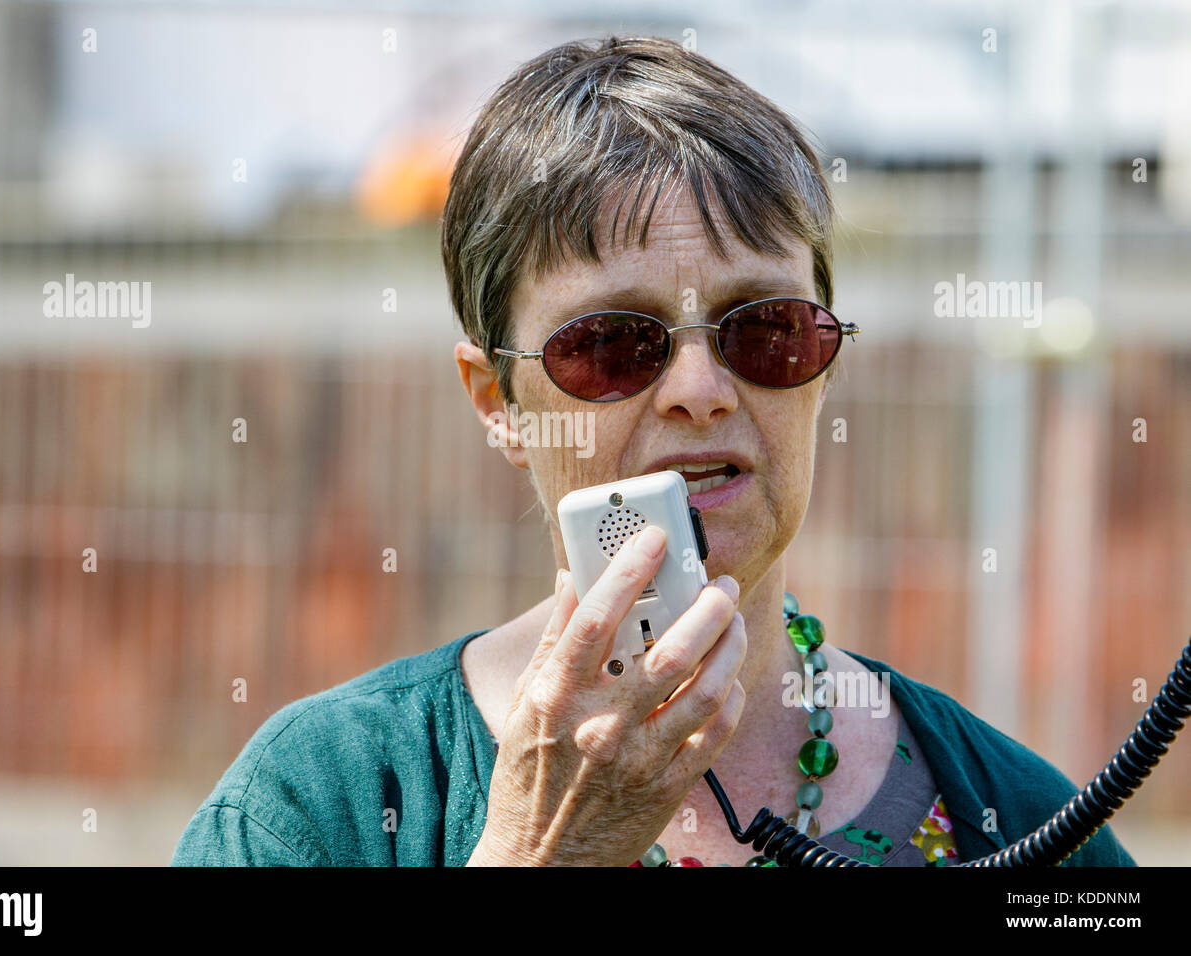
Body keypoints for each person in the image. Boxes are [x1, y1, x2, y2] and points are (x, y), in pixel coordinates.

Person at [171, 35, 1136, 867]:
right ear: (497, 400)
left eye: (765, 330)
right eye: (610, 345)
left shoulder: (1019, 817)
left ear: (824, 364)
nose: (700, 390)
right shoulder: (319, 803)